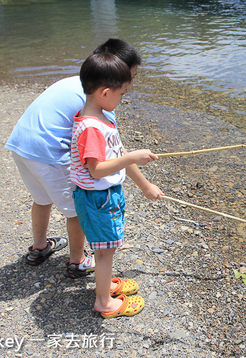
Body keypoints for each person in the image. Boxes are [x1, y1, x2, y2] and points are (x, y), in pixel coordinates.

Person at [5, 38, 144, 278]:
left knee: (42, 197)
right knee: (77, 211)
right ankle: (77, 260)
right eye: (129, 78)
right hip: (49, 153)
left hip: (21, 143)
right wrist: (145, 185)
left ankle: (39, 247)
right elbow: (116, 153)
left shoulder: (77, 83)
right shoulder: (98, 105)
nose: (129, 84)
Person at [70, 52, 162, 318]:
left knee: (106, 249)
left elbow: (116, 155)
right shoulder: (91, 128)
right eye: (122, 95)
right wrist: (133, 157)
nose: (122, 100)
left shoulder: (100, 117)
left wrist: (145, 185)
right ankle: (104, 302)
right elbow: (96, 170)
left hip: (104, 197)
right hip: (98, 198)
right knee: (105, 251)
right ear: (105, 93)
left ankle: (104, 281)